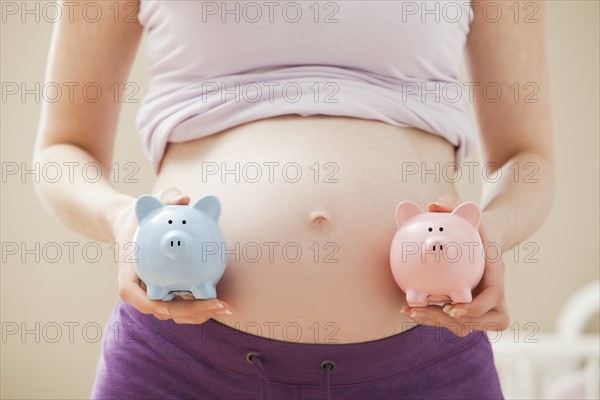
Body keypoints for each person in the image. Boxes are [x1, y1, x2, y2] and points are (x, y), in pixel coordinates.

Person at [33, 0, 554, 398]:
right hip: (179, 364)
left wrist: (494, 232)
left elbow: (527, 158)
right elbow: (62, 150)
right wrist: (124, 220)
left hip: (425, 365)